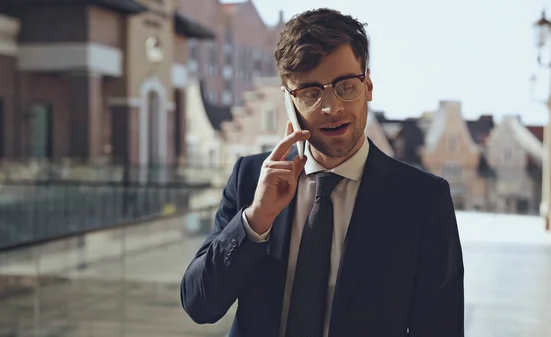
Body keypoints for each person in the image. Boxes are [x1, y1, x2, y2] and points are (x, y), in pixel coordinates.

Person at [180, 7, 464, 337]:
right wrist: (255, 220)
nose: (331, 108)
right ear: (288, 99)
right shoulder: (251, 178)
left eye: (346, 86)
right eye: (311, 93)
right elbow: (199, 305)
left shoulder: (422, 200)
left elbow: (440, 327)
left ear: (368, 85)